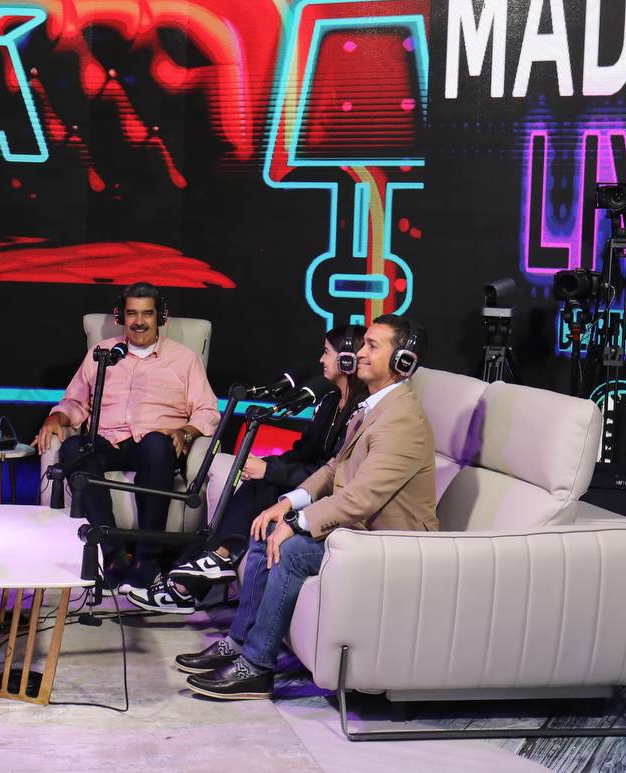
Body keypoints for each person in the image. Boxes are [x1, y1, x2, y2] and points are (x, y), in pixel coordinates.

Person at [180, 315, 438, 700]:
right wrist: (288, 503)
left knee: (291, 549)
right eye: (363, 344)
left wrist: (297, 522)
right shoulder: (374, 407)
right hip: (360, 534)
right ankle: (239, 642)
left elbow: (361, 498)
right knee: (265, 531)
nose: (360, 354)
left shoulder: (402, 420)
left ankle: (257, 667)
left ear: (403, 361)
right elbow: (334, 469)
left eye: (372, 346)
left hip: (391, 545)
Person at [130, 324, 367, 614]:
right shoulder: (330, 402)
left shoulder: (360, 412)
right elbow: (302, 453)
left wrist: (269, 471)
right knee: (258, 485)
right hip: (307, 486)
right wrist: (266, 465)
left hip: (327, 498)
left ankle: (199, 573)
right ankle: (205, 567)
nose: (321, 360)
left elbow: (330, 475)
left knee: (264, 484)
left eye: (327, 353)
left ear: (347, 360)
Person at [33, 282, 220, 598]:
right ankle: (114, 554)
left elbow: (208, 411)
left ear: (161, 317)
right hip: (109, 440)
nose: (139, 322)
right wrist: (57, 417)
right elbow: (75, 401)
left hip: (158, 444)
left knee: (155, 446)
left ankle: (148, 559)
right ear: (121, 317)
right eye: (132, 313)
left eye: (147, 314)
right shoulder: (102, 354)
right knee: (75, 448)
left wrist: (185, 432)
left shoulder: (184, 359)